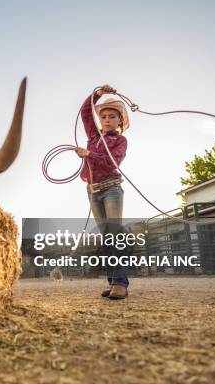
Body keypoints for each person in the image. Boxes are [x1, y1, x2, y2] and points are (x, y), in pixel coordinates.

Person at [74, 84, 130, 299]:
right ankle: (112, 281)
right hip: (93, 191)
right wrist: (98, 94)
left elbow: (111, 162)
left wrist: (89, 154)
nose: (106, 119)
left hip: (111, 189)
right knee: (107, 237)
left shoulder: (120, 141)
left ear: (120, 121)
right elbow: (85, 112)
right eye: (104, 116)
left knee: (115, 235)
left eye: (112, 116)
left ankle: (120, 283)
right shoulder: (93, 136)